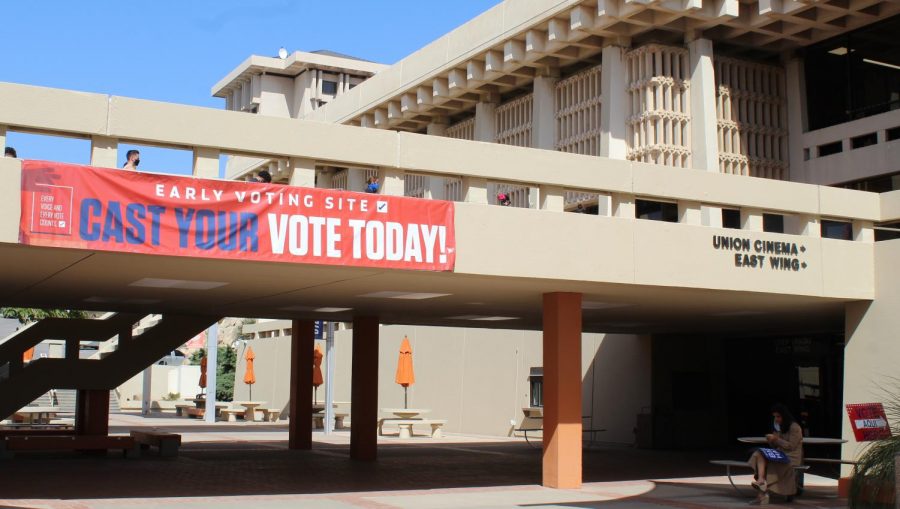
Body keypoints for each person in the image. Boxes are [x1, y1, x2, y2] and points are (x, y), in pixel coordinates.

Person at [747, 403, 804, 505]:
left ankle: (762, 495)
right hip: (780, 454)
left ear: (784, 416)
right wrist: (771, 440)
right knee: (758, 453)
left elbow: (791, 446)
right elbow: (776, 447)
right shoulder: (780, 427)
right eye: (775, 417)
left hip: (791, 457)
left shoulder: (795, 427)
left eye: (778, 416)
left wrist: (776, 439)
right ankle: (761, 481)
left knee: (768, 464)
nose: (776, 419)